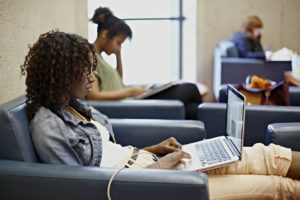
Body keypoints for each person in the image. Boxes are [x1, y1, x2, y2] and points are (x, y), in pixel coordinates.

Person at [21, 31, 300, 199]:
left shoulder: (73, 106)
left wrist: (153, 151)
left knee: (270, 155)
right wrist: (161, 167)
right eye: (84, 71)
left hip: (152, 166)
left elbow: (108, 157)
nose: (92, 78)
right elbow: (86, 189)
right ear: (61, 74)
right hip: (149, 184)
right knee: (279, 188)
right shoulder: (48, 126)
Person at [85, 7, 204, 119]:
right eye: (118, 43)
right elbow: (94, 95)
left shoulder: (101, 59)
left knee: (192, 109)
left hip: (132, 101)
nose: (119, 47)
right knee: (190, 88)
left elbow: (118, 81)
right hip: (131, 105)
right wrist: (131, 91)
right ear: (105, 34)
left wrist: (118, 56)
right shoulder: (91, 57)